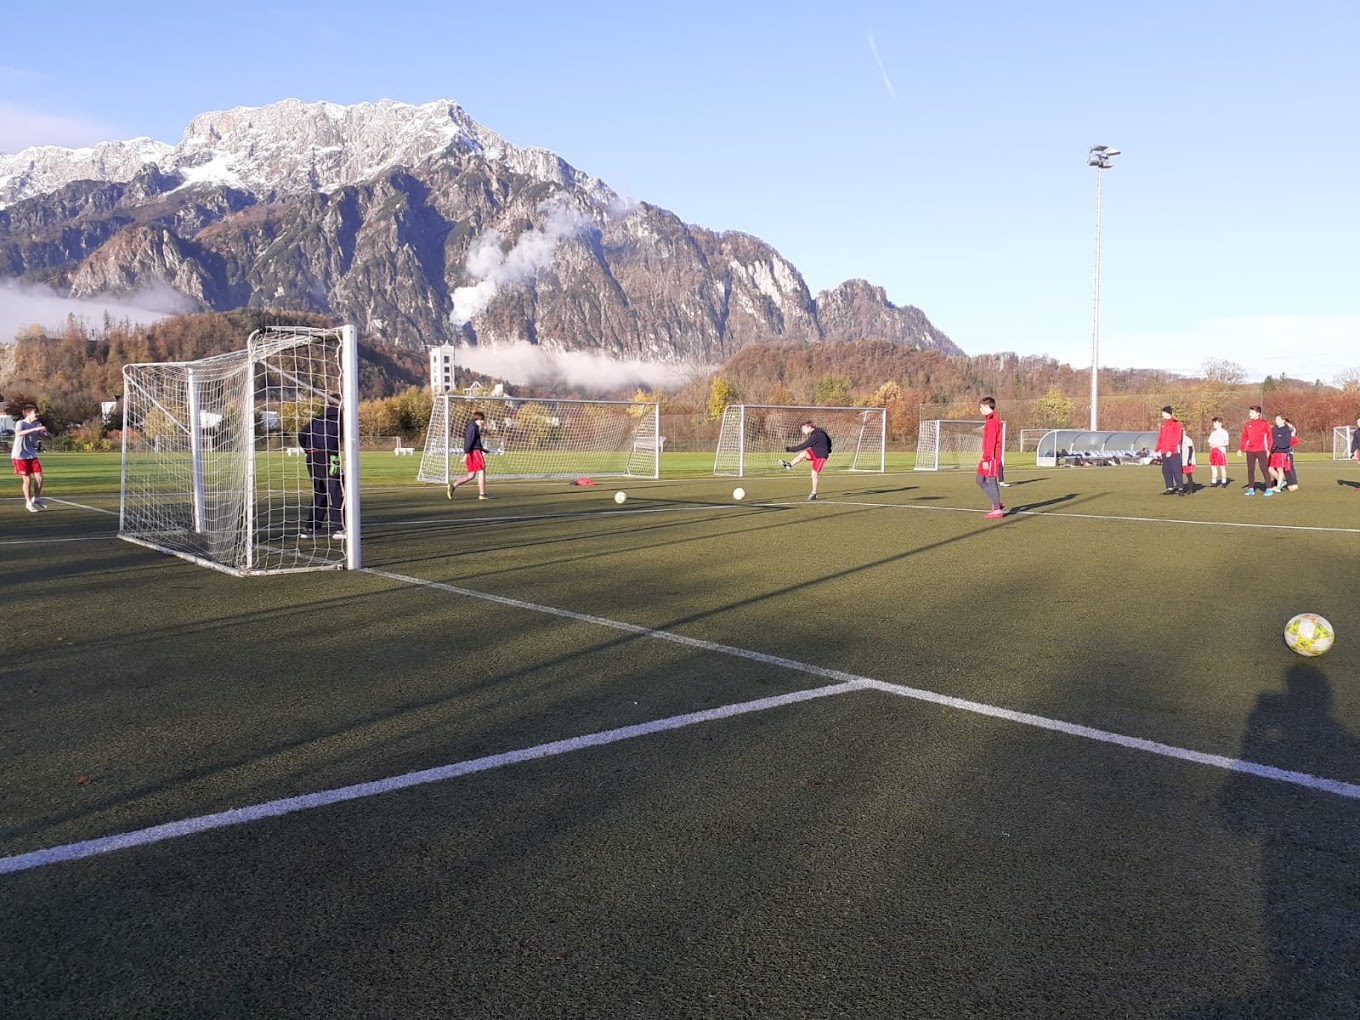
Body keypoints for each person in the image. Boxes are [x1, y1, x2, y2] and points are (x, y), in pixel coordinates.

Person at [297, 398, 345, 538]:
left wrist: (308, 450)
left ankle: (310, 528)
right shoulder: (341, 419)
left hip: (312, 458)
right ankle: (342, 528)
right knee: (337, 491)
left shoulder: (317, 419)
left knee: (320, 492)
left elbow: (302, 434)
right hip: (330, 458)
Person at [11, 404, 51, 512]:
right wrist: (36, 429)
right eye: (35, 412)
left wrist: (45, 431)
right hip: (20, 455)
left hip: (31, 455)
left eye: (37, 412)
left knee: (40, 478)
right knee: (27, 480)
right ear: (27, 413)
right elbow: (19, 433)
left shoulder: (37, 424)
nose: (37, 414)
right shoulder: (21, 423)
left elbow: (50, 438)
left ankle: (36, 498)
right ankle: (28, 502)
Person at [781, 420, 831, 501]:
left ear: (809, 427)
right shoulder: (818, 432)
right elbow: (829, 440)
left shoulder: (816, 435)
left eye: (804, 429)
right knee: (803, 454)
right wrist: (828, 448)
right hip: (815, 452)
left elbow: (804, 445)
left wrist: (791, 449)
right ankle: (790, 464)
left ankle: (814, 494)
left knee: (814, 474)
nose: (803, 431)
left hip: (821, 456)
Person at [447, 411, 489, 500]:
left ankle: (453, 486)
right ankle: (482, 494)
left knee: (471, 475)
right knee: (481, 470)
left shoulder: (473, 427)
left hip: (472, 451)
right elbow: (469, 442)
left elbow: (475, 442)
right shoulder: (472, 428)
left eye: (483, 420)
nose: (482, 422)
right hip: (474, 452)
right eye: (481, 420)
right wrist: (466, 454)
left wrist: (482, 450)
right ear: (476, 419)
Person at [975, 397, 1005, 518]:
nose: (980, 409)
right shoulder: (990, 420)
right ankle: (996, 502)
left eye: (981, 407)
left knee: (992, 481)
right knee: (979, 479)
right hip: (988, 455)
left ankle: (997, 509)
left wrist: (987, 459)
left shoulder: (992, 421)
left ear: (987, 406)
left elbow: (991, 442)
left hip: (992, 456)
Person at [1238, 405, 1271, 495]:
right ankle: (1251, 489)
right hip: (1250, 450)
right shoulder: (1247, 425)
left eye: (1252, 413)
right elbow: (1244, 437)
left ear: (1258, 413)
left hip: (1261, 449)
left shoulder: (1265, 423)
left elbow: (1269, 437)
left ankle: (1269, 488)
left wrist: (1268, 449)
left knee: (1263, 468)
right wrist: (1241, 449)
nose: (1250, 414)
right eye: (1250, 412)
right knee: (1250, 469)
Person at [1154, 405, 1185, 495]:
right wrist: (1157, 449)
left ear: (1168, 413)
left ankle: (1180, 488)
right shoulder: (1163, 425)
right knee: (1166, 470)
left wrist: (1171, 450)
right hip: (1164, 451)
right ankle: (1169, 487)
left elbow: (1177, 438)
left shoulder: (1177, 424)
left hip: (1174, 452)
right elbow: (1160, 438)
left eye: (1163, 413)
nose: (1162, 414)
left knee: (1176, 470)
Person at [1264, 413, 1292, 496]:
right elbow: (1270, 439)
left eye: (1278, 420)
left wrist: (1277, 445)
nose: (1276, 421)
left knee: (1280, 469)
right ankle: (1282, 482)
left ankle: (1278, 487)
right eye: (1276, 420)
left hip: (1282, 452)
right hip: (1273, 452)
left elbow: (1287, 443)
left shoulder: (1287, 430)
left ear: (1283, 420)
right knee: (1269, 468)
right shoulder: (1274, 429)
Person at [1207, 416, 1230, 488]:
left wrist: (1217, 445)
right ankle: (1214, 481)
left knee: (1222, 467)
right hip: (1213, 451)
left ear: (1220, 423)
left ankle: (1224, 482)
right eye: (1214, 423)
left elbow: (1226, 443)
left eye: (1216, 423)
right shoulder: (1213, 433)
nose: (1214, 424)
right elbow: (1210, 443)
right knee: (1213, 467)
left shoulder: (1224, 432)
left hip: (1220, 451)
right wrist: (1212, 446)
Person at [1180, 429, 1197, 493]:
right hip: (1183, 460)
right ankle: (1182, 488)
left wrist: (1189, 459)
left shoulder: (1187, 439)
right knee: (1180, 474)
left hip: (1188, 460)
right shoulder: (1180, 439)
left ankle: (1190, 489)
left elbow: (1191, 449)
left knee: (1188, 474)